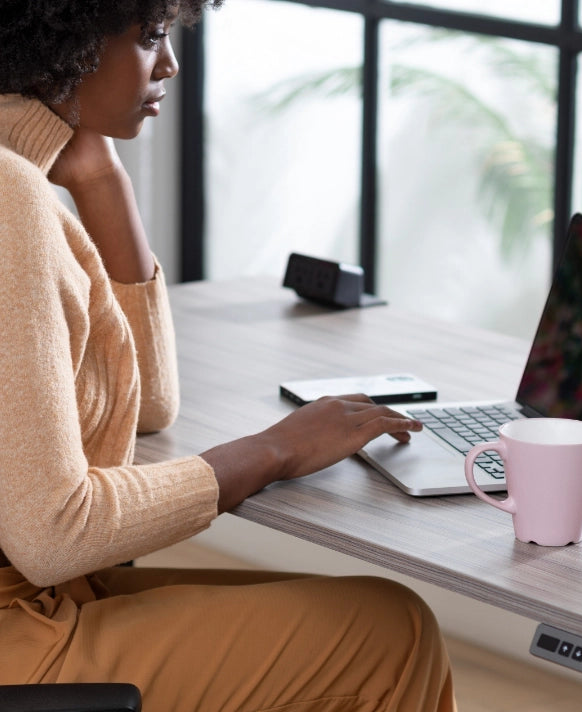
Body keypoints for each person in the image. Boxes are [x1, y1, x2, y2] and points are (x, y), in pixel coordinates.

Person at [0, 2, 458, 710]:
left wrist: (103, 182)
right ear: (62, 41)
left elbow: (146, 403)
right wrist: (272, 451)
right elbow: (54, 535)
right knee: (387, 634)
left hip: (35, 604)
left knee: (378, 619)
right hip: (18, 641)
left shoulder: (19, 179)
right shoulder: (9, 197)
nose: (169, 65)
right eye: (150, 37)